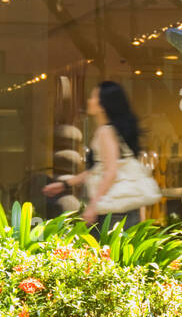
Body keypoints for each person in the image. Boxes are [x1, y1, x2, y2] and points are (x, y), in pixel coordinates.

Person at [44, 80, 144, 233]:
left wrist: (92, 207)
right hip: (123, 208)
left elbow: (110, 172)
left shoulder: (106, 133)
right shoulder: (114, 131)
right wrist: (65, 184)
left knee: (107, 253)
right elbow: (100, 169)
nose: (89, 101)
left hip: (113, 210)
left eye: (93, 97)